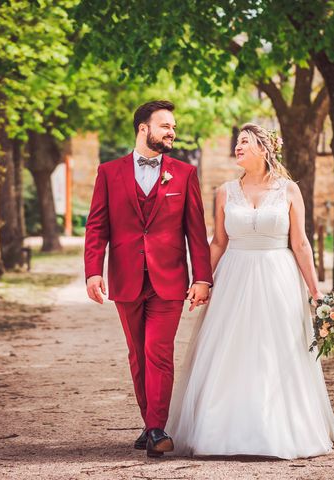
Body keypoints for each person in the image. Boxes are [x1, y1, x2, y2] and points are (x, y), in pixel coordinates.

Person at [166, 123, 334, 460]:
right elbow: (218, 242)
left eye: (245, 142)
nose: (238, 146)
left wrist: (315, 290)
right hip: (234, 276)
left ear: (264, 150)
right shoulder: (224, 192)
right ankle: (222, 428)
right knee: (230, 349)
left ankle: (277, 428)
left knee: (273, 350)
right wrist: (200, 279)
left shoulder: (289, 190)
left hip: (277, 276)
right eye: (237, 142)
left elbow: (301, 243)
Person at [84, 100, 213, 457]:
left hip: (169, 281)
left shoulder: (184, 174)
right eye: (165, 126)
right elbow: (97, 226)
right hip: (126, 279)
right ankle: (150, 423)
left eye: (173, 127)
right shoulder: (108, 173)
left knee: (158, 353)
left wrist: (202, 277)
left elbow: (196, 232)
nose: (172, 132)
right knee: (137, 355)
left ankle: (157, 427)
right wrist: (93, 271)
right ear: (144, 129)